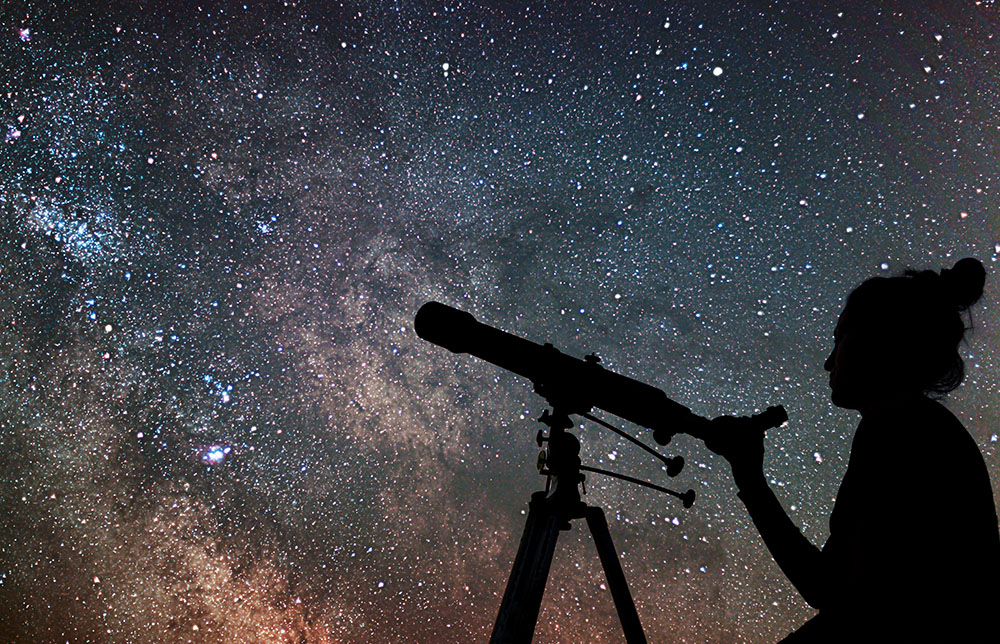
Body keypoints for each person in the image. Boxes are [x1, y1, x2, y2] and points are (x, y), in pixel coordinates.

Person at [705, 258, 1000, 643]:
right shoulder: (919, 426)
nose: (828, 361)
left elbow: (832, 590)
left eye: (839, 339)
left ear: (877, 340)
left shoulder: (896, 427)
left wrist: (749, 477)